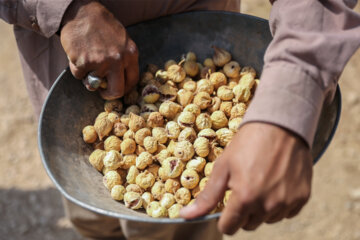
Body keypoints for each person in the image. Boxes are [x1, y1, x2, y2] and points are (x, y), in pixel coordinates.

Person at [1, 0, 359, 239]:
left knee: (187, 228)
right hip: (70, 62)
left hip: (195, 15)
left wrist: (289, 101)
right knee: (92, 217)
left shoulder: (206, 105)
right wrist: (66, 8)